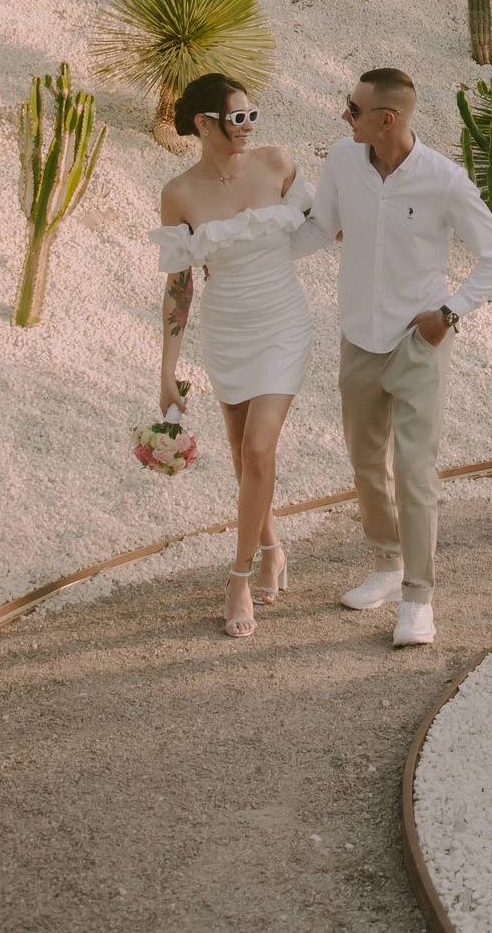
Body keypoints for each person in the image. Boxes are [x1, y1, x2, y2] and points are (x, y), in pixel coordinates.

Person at [295, 68, 492, 649]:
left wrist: (451, 312)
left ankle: (418, 598)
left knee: (414, 472)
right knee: (367, 464)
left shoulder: (444, 180)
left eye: (354, 108)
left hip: (417, 344)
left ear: (385, 120)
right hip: (357, 340)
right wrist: (253, 256)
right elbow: (321, 228)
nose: (345, 115)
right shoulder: (344, 159)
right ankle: (386, 565)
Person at [149, 73, 317, 638]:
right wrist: (168, 371)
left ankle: (238, 577)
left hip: (282, 323)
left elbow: (324, 223)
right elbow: (180, 285)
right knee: (244, 456)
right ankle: (272, 546)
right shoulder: (180, 193)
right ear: (204, 123)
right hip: (226, 331)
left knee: (258, 447)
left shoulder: (276, 164)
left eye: (252, 116)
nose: (249, 127)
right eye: (237, 117)